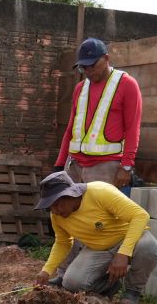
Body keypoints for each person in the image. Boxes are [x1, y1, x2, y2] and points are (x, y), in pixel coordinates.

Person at [31, 169, 157, 304]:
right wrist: (46, 271)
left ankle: (132, 291)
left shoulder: (100, 192)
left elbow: (140, 215)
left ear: (70, 195)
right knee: (71, 283)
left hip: (129, 237)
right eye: (50, 207)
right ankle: (110, 284)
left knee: (149, 247)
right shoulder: (57, 216)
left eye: (57, 204)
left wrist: (123, 253)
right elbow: (63, 242)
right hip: (98, 248)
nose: (55, 211)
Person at [55, 38, 141, 193]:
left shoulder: (127, 85)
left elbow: (132, 128)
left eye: (92, 66)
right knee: (68, 213)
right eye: (83, 68)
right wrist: (60, 164)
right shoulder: (80, 88)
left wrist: (126, 166)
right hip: (74, 164)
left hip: (106, 166)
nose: (88, 72)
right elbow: (70, 129)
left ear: (106, 58)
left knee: (98, 215)